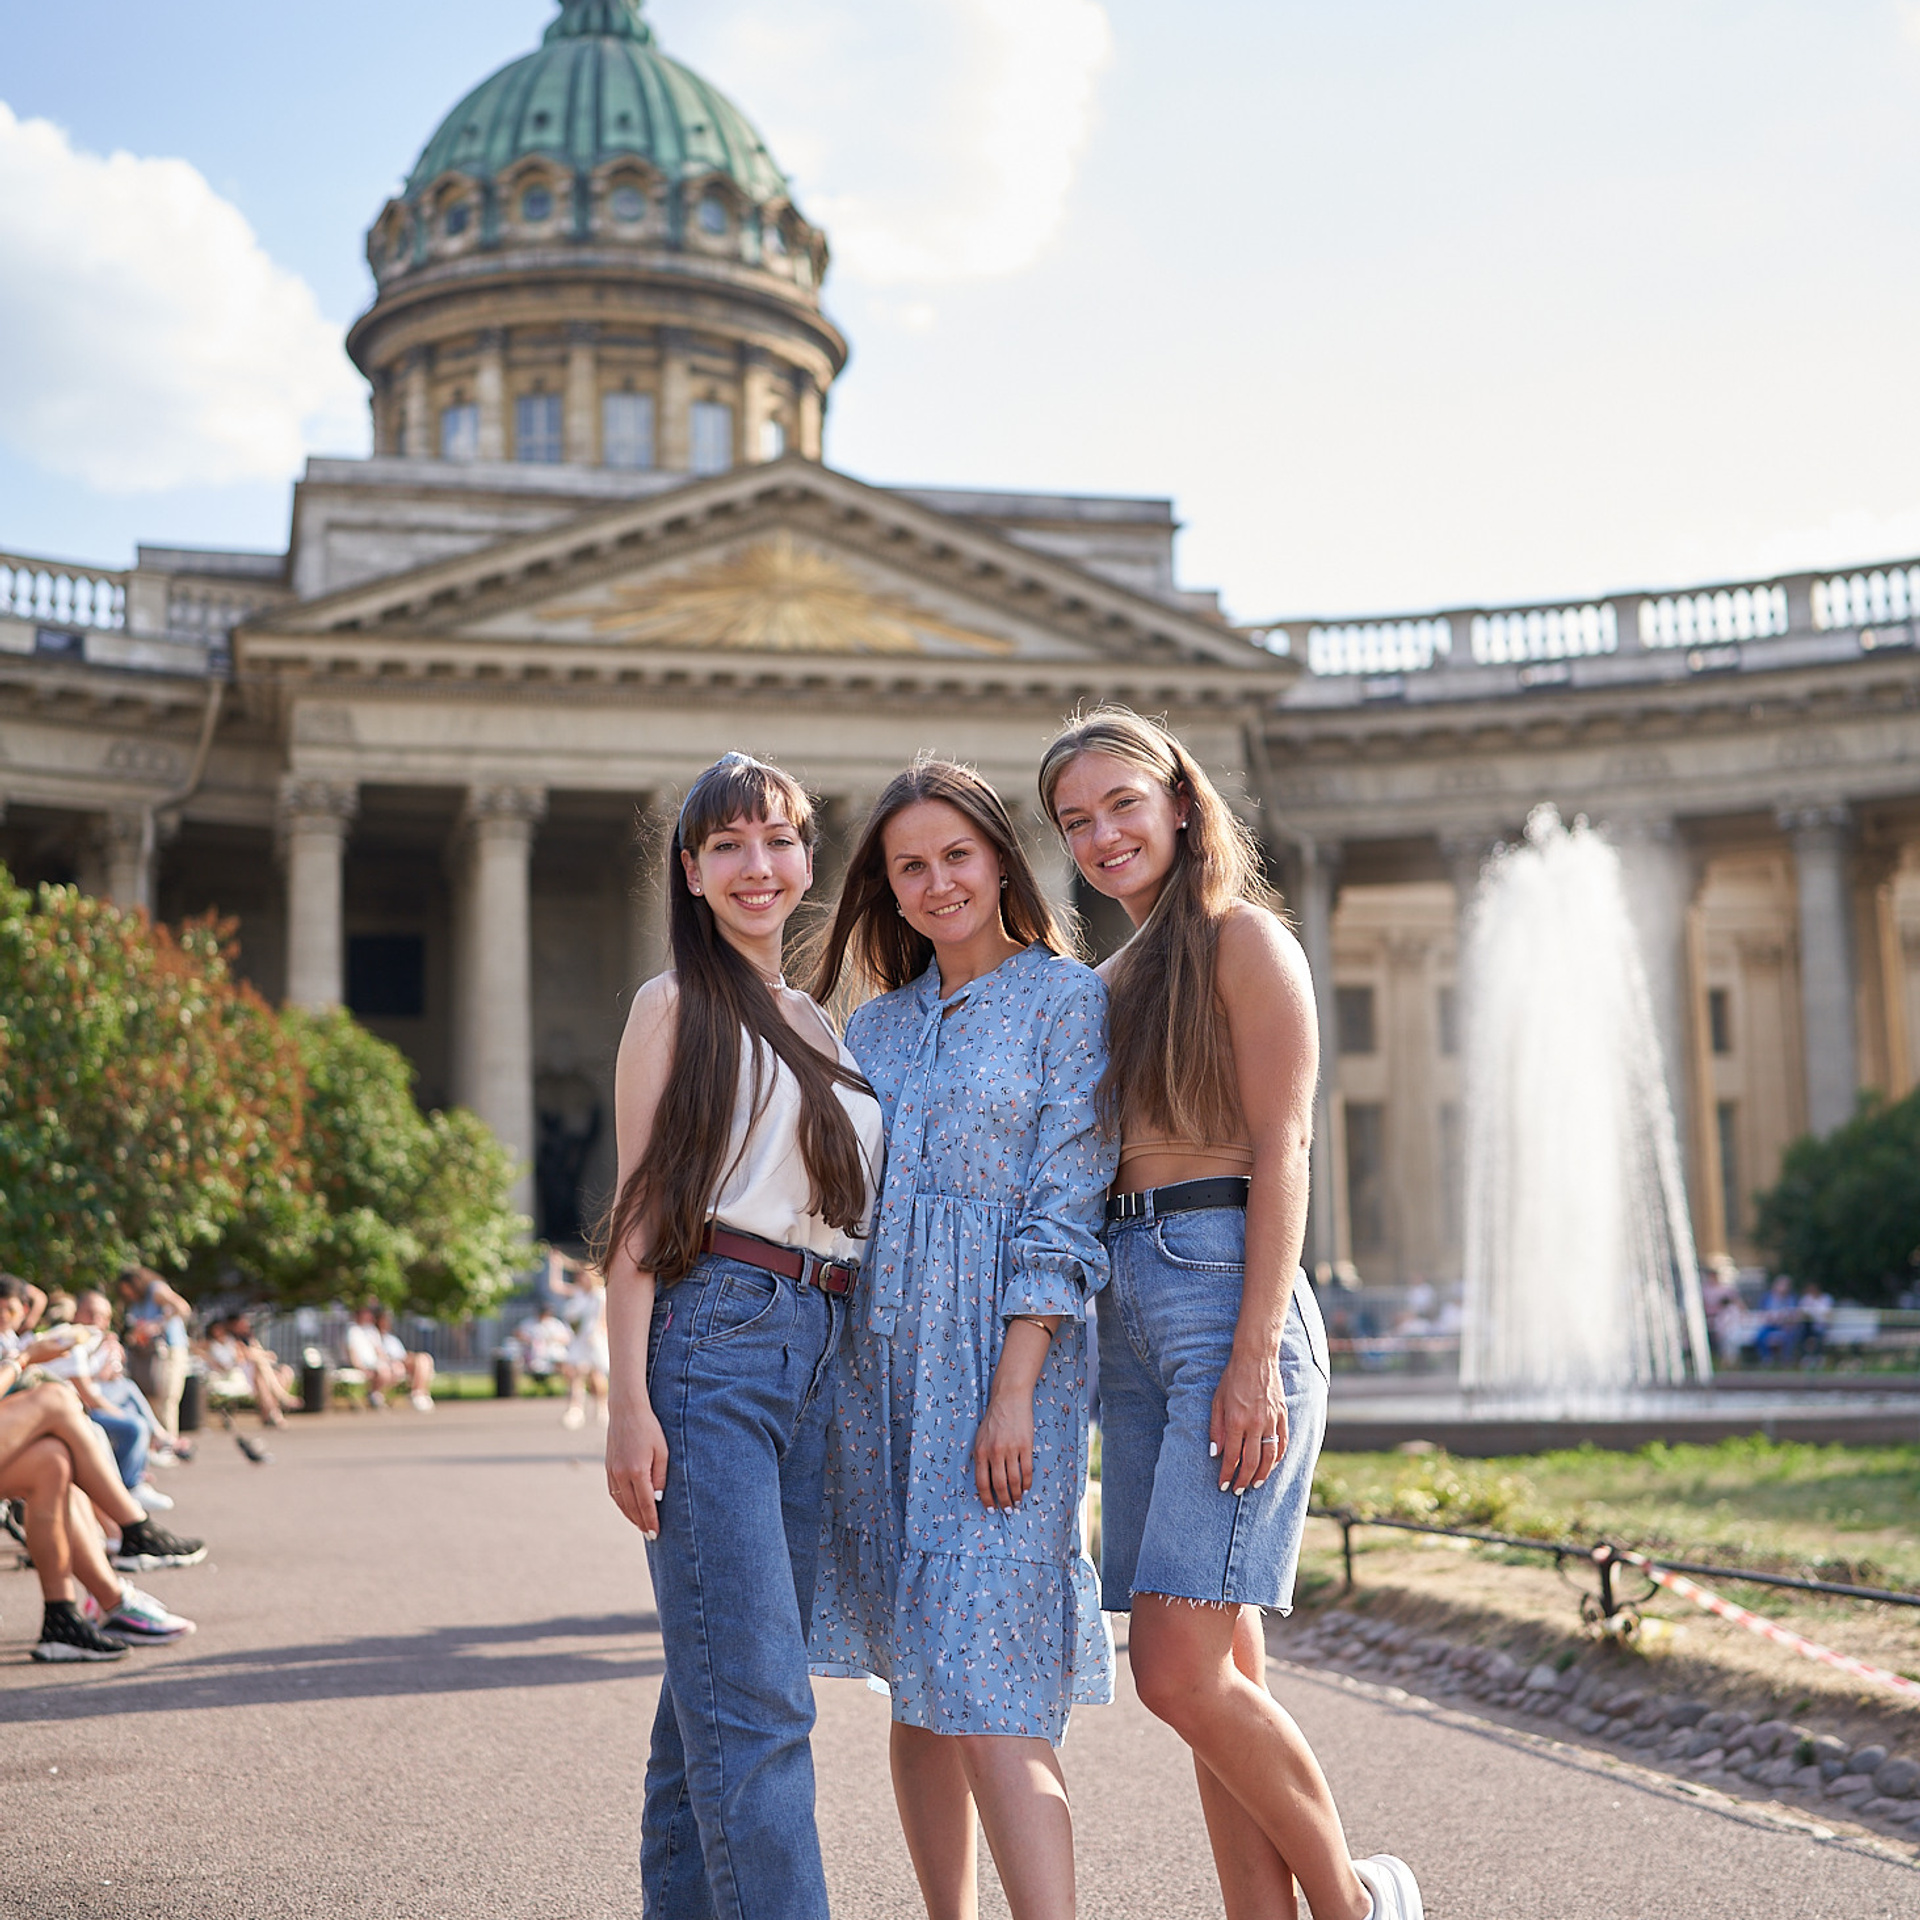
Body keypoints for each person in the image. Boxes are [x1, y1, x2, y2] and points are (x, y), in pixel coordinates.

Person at [1041, 708, 1422, 1920]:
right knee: (1221, 1665)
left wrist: (1255, 1353)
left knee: (1174, 1669)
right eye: (1074, 820)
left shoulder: (1245, 940)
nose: (1102, 834)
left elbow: (1284, 1146)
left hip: (1224, 1295)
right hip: (1128, 1316)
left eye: (1121, 804)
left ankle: (1353, 1902)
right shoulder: (1105, 984)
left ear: (1179, 802)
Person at [808, 760, 1115, 1920]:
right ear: (886, 888)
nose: (937, 883)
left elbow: (1066, 1206)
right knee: (919, 1679)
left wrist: (1014, 1391)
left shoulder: (1068, 1002)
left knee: (992, 1687)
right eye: (910, 867)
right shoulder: (874, 1027)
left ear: (998, 859)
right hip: (877, 1376)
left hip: (1004, 1367)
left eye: (956, 857)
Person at [600, 750, 884, 1920]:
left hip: (814, 1348)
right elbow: (638, 1217)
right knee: (761, 1704)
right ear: (692, 872)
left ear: (808, 858)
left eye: (776, 840)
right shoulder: (673, 1005)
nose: (755, 865)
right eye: (726, 846)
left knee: (710, 1699)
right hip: (713, 1339)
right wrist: (626, 1404)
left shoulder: (822, 1021)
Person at [117, 1266, 192, 1441]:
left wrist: (157, 1325)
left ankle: (169, 1442)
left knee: (166, 1399)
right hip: (148, 1357)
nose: (128, 1294)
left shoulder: (156, 1290)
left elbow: (183, 1308)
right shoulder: (136, 1302)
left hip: (169, 1351)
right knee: (150, 1400)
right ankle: (158, 1442)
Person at [559, 1268, 609, 1431]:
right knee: (577, 1372)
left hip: (595, 1338)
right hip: (580, 1339)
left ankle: (602, 1406)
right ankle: (576, 1408)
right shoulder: (578, 1294)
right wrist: (556, 1265)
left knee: (596, 1374)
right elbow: (557, 1286)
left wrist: (598, 1334)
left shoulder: (600, 1295)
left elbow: (602, 1318)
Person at [376, 1308, 436, 1412]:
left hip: (402, 1359)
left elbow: (401, 1353)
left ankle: (420, 1392)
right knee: (420, 1360)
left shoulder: (391, 1338)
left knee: (424, 1358)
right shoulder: (375, 1337)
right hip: (393, 1362)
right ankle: (418, 1393)